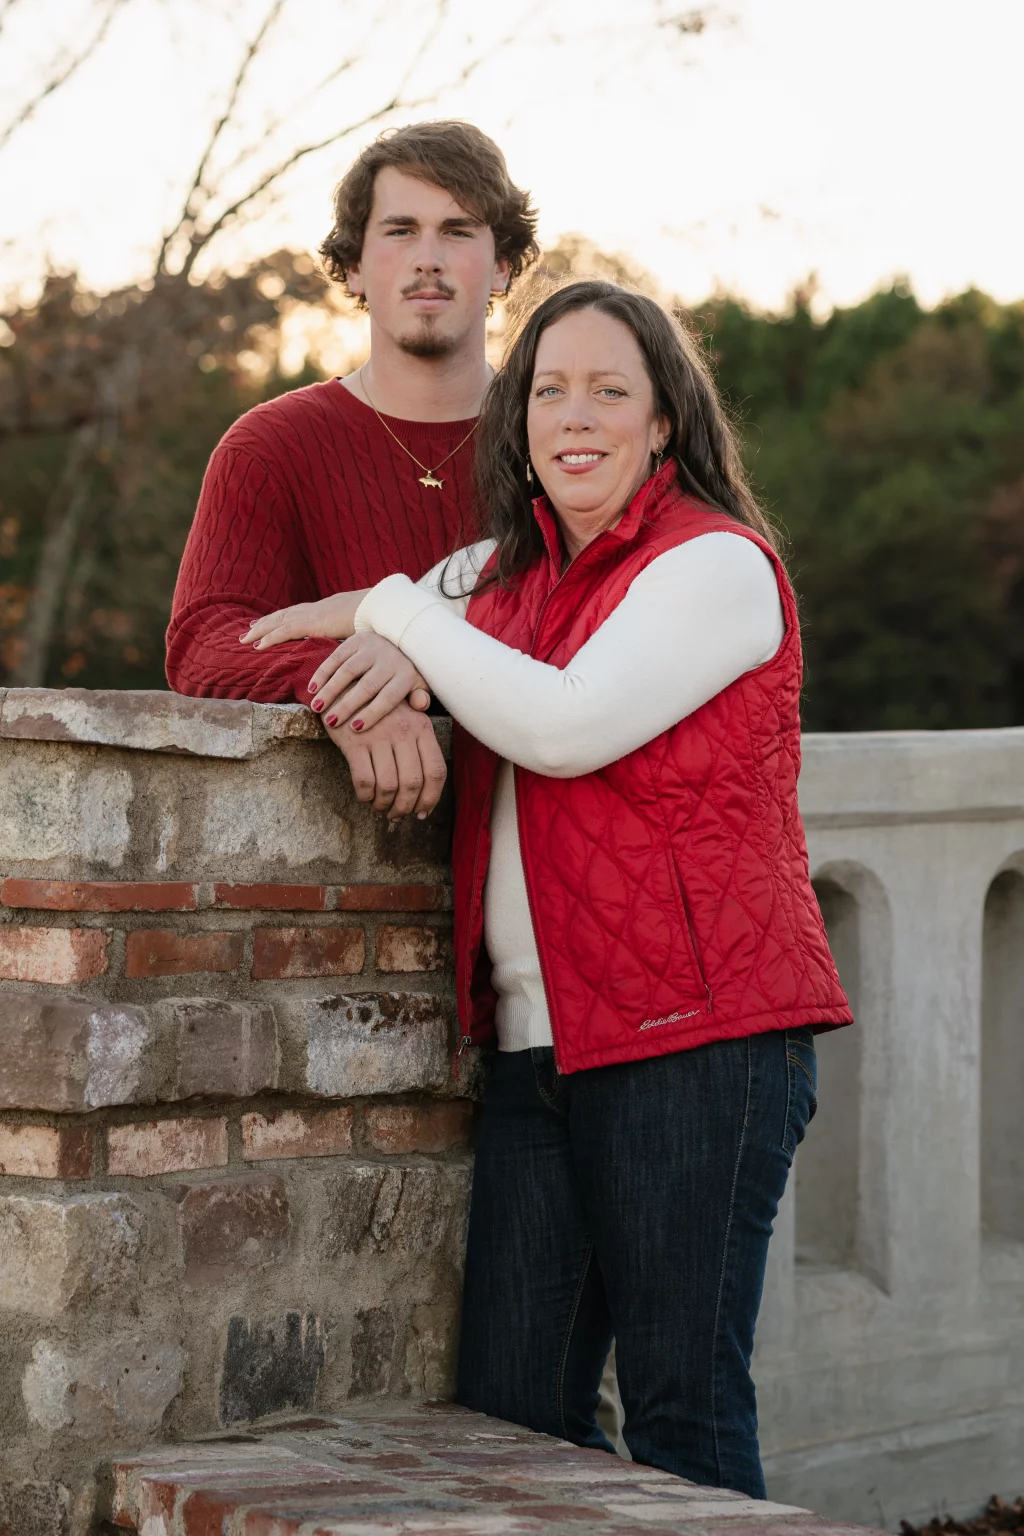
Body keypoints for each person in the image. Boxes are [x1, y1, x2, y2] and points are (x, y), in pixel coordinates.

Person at [242, 281, 853, 1497]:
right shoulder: (492, 576)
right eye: (549, 391)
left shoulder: (716, 567)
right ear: (518, 421)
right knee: (511, 1427)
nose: (576, 416)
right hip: (536, 1053)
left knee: (683, 1423)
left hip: (698, 1042)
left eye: (610, 391)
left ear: (664, 421)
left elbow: (564, 727)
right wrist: (373, 647)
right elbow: (271, 639)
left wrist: (396, 616)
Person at [165, 119, 537, 820]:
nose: (428, 258)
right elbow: (204, 644)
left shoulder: (560, 443)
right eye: (399, 230)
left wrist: (412, 652)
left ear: (504, 265)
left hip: (547, 848)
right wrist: (345, 685)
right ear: (357, 266)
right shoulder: (270, 445)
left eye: (458, 231)